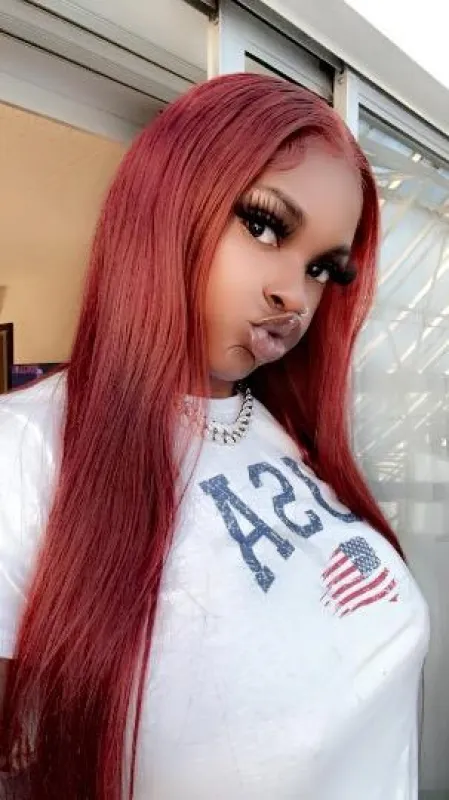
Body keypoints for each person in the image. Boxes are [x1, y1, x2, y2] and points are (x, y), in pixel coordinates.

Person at [0, 73, 428, 800]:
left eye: (322, 269)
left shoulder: (286, 434)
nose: (294, 297)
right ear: (166, 206)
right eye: (264, 226)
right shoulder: (27, 451)